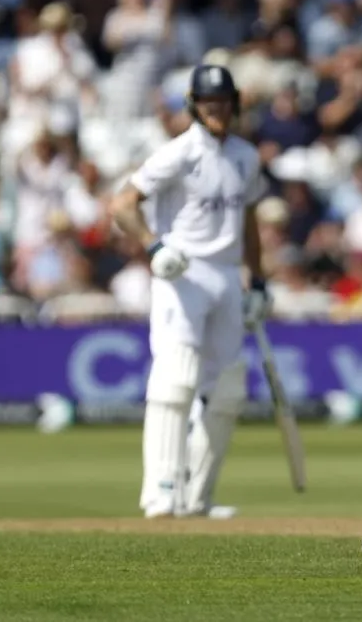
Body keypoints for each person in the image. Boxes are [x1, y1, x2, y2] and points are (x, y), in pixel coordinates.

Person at [109, 64, 271, 519]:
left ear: (234, 104)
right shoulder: (178, 153)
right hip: (182, 272)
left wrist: (257, 280)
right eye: (208, 102)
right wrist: (153, 246)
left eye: (222, 102)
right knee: (176, 378)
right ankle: (160, 492)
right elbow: (122, 203)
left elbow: (250, 223)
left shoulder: (245, 155)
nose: (216, 109)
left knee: (228, 389)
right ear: (195, 106)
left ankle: (198, 496)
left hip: (224, 274)